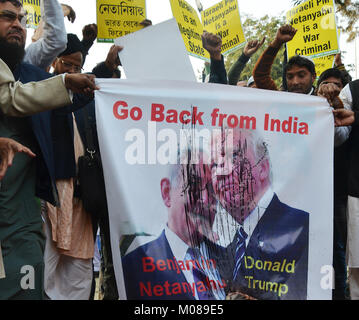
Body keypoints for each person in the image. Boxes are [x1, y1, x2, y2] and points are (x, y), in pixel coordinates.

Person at [0, 0, 96, 299]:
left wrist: (68, 83)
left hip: (24, 207)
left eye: (22, 18)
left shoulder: (30, 71)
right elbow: (11, 98)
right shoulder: (36, 75)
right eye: (7, 17)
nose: (18, 24)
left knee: (27, 282)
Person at [210, 128, 309, 300]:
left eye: (234, 156)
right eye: (213, 165)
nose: (220, 172)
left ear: (263, 167)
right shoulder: (231, 246)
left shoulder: (301, 228)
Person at [121, 149, 226, 300]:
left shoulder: (233, 262)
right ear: (167, 192)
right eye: (194, 185)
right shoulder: (133, 268)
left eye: (211, 189)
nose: (205, 198)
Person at [43, 33, 95, 300]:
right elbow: (60, 105)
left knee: (79, 269)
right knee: (45, 268)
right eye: (68, 65)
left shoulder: (85, 99)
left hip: (82, 201)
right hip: (52, 195)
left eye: (78, 67)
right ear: (54, 61)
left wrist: (106, 71)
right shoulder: (42, 92)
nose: (74, 72)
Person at [316, 68, 350, 300]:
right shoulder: (305, 106)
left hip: (338, 194)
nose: (330, 87)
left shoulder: (345, 114)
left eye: (336, 84)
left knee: (337, 250)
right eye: (325, 83)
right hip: (308, 194)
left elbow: (339, 136)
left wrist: (333, 102)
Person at [0, 57, 97, 116]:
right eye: (67, 64)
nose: (72, 71)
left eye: (77, 67)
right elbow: (9, 98)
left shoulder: (77, 94)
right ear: (54, 63)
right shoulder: (34, 74)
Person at [253, 24, 316, 95]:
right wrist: (277, 42)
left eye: (301, 75)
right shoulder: (280, 99)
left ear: (313, 77)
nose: (295, 82)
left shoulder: (326, 99)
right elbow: (260, 76)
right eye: (290, 77)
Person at [24, 0, 67, 70]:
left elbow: (55, 42)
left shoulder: (26, 59)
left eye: (20, 19)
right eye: (8, 17)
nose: (18, 25)